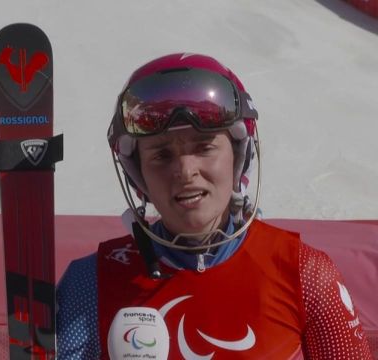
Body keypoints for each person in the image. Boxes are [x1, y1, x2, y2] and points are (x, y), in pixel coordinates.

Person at [56, 53, 373, 359]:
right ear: (138, 176)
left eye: (205, 146)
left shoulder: (304, 273)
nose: (185, 171)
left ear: (239, 156)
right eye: (161, 156)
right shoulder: (90, 282)